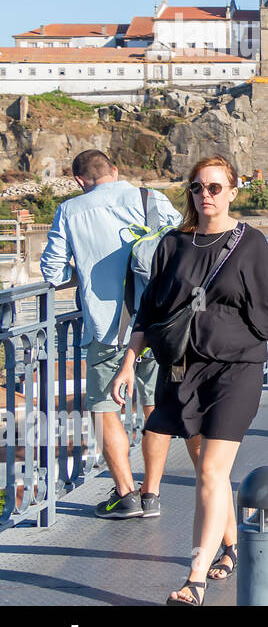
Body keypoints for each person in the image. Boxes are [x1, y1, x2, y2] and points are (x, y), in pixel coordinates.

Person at [113, 155, 268, 605]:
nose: (205, 195)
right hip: (182, 371)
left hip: (237, 369)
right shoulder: (172, 245)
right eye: (197, 188)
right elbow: (150, 312)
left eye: (215, 187)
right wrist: (128, 361)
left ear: (233, 191)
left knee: (211, 471)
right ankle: (231, 545)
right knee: (207, 472)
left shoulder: (251, 243)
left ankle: (195, 577)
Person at [40, 149, 182, 520]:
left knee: (104, 408)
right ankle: (151, 494)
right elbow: (185, 247)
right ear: (115, 171)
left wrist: (85, 272)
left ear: (78, 181)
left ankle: (125, 494)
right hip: (157, 324)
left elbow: (53, 273)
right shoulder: (151, 198)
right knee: (154, 407)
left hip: (108, 328)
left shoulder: (71, 210)